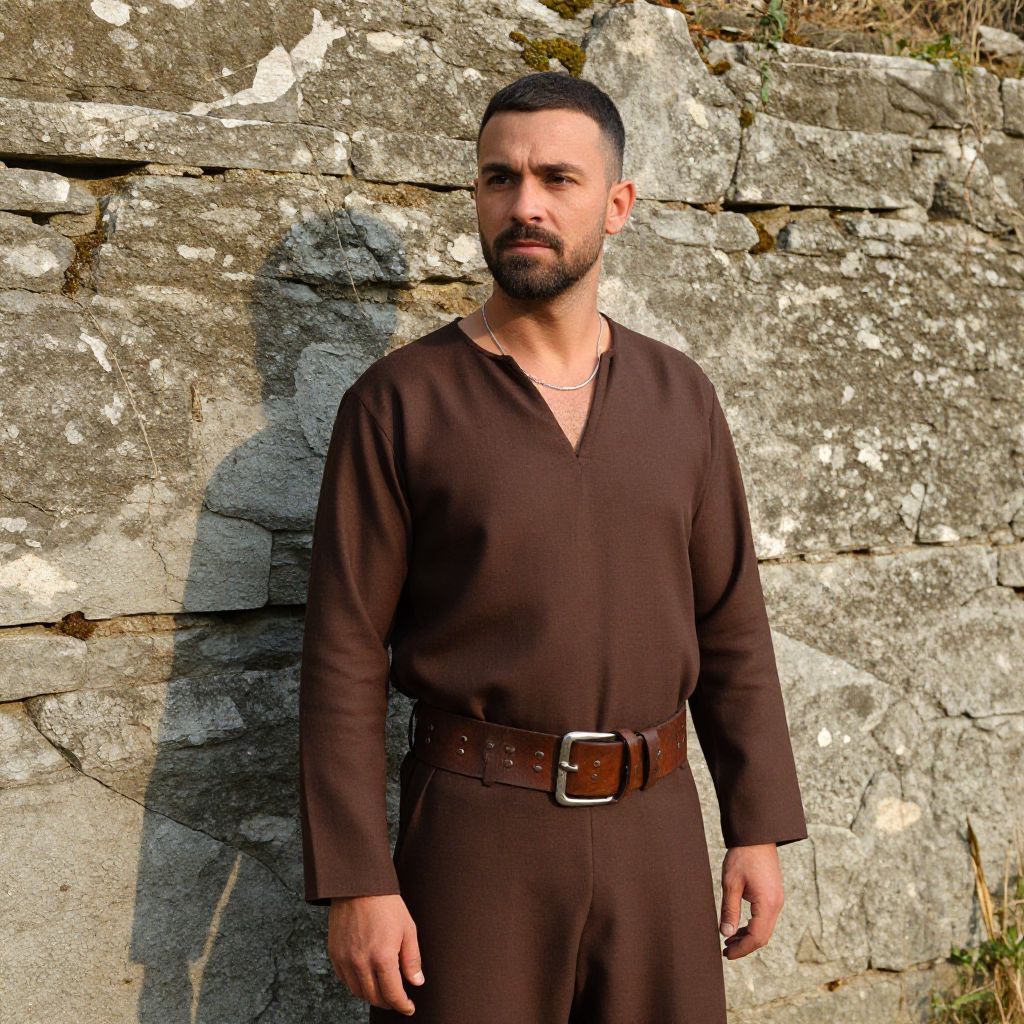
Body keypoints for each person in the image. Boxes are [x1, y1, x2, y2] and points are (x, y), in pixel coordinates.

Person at [298, 71, 809, 1023]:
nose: (523, 205)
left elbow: (731, 618)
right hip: (472, 839)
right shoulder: (399, 404)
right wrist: (358, 880)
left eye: (557, 179)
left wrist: (757, 827)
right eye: (500, 179)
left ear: (617, 205)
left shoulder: (679, 397)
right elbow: (343, 651)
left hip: (656, 831)